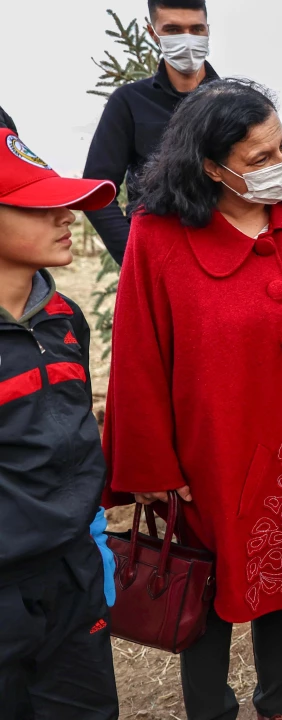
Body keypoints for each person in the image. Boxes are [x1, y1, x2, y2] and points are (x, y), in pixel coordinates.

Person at [104, 79, 282, 720]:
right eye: (258, 159)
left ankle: (278, 701)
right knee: (207, 581)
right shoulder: (158, 235)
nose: (280, 167)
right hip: (207, 452)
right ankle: (209, 709)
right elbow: (139, 354)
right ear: (210, 167)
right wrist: (155, 467)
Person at [0, 127, 119, 720]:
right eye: (38, 206)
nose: (66, 216)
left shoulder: (63, 317)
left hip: (74, 577)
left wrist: (92, 537)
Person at [84, 0, 219, 266]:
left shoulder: (235, 101)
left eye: (197, 29)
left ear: (208, 31)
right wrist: (138, 259)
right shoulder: (129, 102)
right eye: (172, 30)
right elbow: (97, 191)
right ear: (153, 33)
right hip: (162, 260)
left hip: (227, 257)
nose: (187, 39)